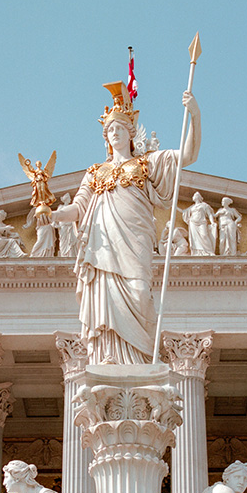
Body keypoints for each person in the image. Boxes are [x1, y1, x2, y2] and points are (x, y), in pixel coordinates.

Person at [52, 81, 201, 365]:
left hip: (135, 240)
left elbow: (188, 155)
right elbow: (79, 207)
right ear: (106, 138)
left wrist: (194, 114)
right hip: (103, 245)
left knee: (140, 293)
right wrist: (56, 215)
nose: (115, 133)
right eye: (110, 130)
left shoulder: (146, 164)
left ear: (131, 133)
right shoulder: (95, 173)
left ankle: (140, 360)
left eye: (120, 128)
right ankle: (108, 356)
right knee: (106, 298)